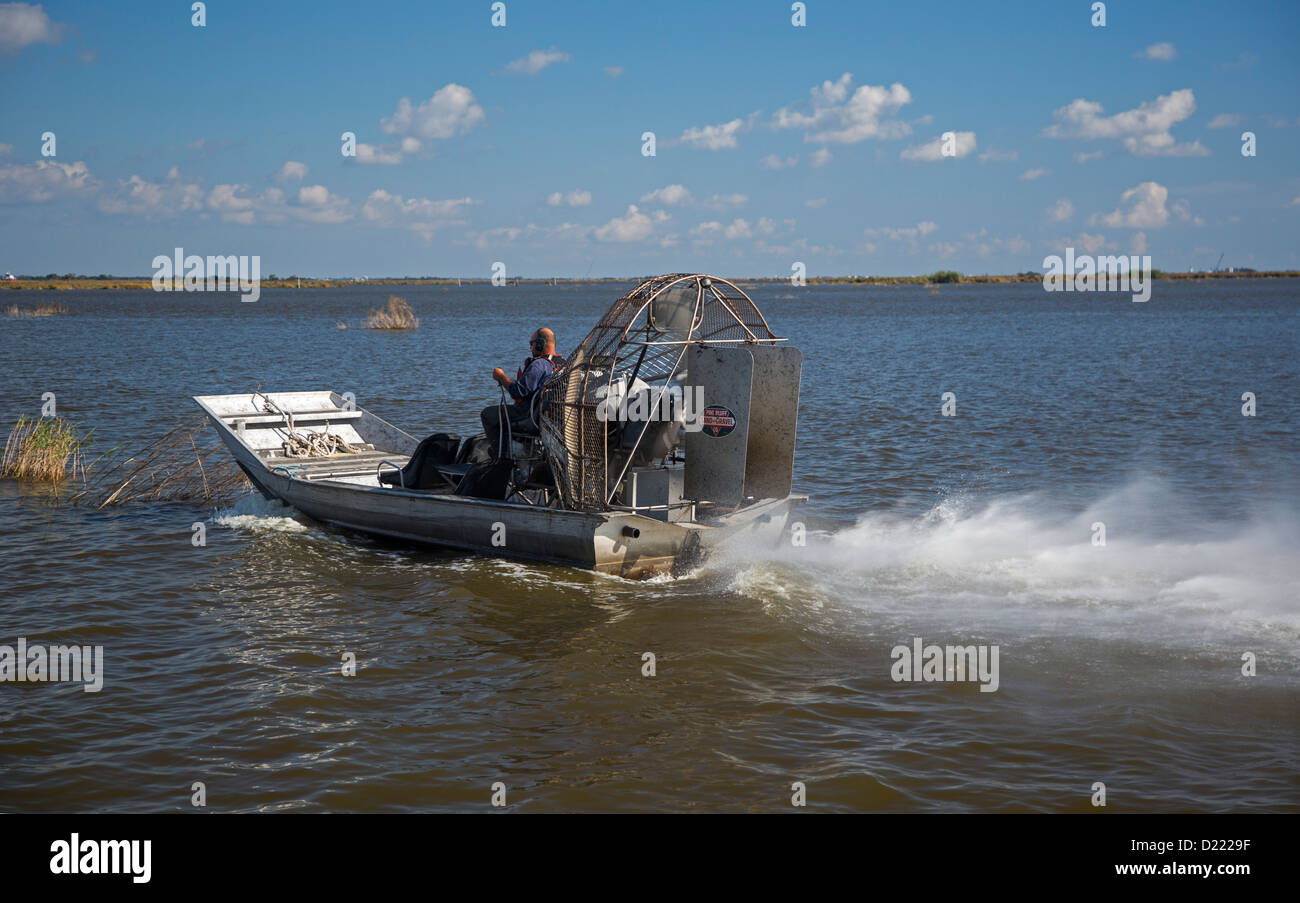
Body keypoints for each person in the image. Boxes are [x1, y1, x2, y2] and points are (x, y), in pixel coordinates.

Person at [481, 327, 563, 455]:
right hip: (551, 418)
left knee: (488, 415)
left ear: (540, 343)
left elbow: (519, 391)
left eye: (532, 343)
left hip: (531, 416)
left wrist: (501, 377)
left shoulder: (540, 364)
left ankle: (501, 457)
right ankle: (523, 450)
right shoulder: (563, 364)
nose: (530, 347)